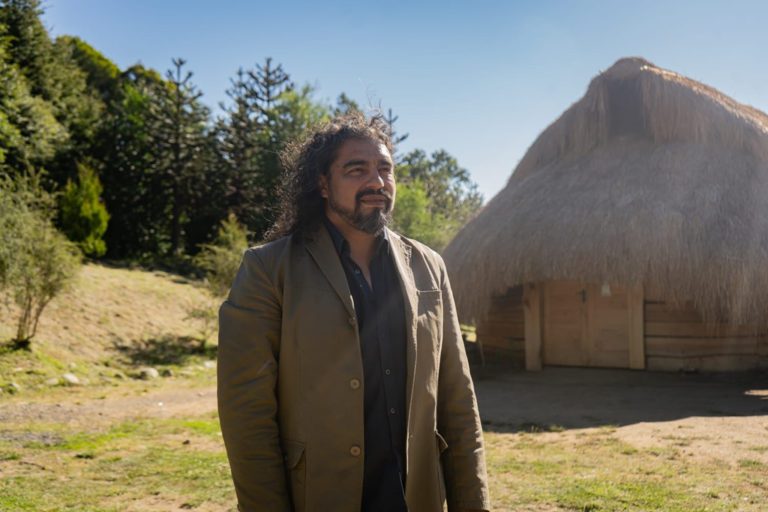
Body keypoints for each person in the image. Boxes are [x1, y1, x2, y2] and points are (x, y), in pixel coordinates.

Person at [217, 112, 490, 512]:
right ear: (322, 184)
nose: (377, 181)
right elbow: (246, 414)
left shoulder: (429, 267)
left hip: (416, 497)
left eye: (385, 169)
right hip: (318, 495)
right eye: (356, 169)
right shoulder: (268, 270)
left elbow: (458, 402)